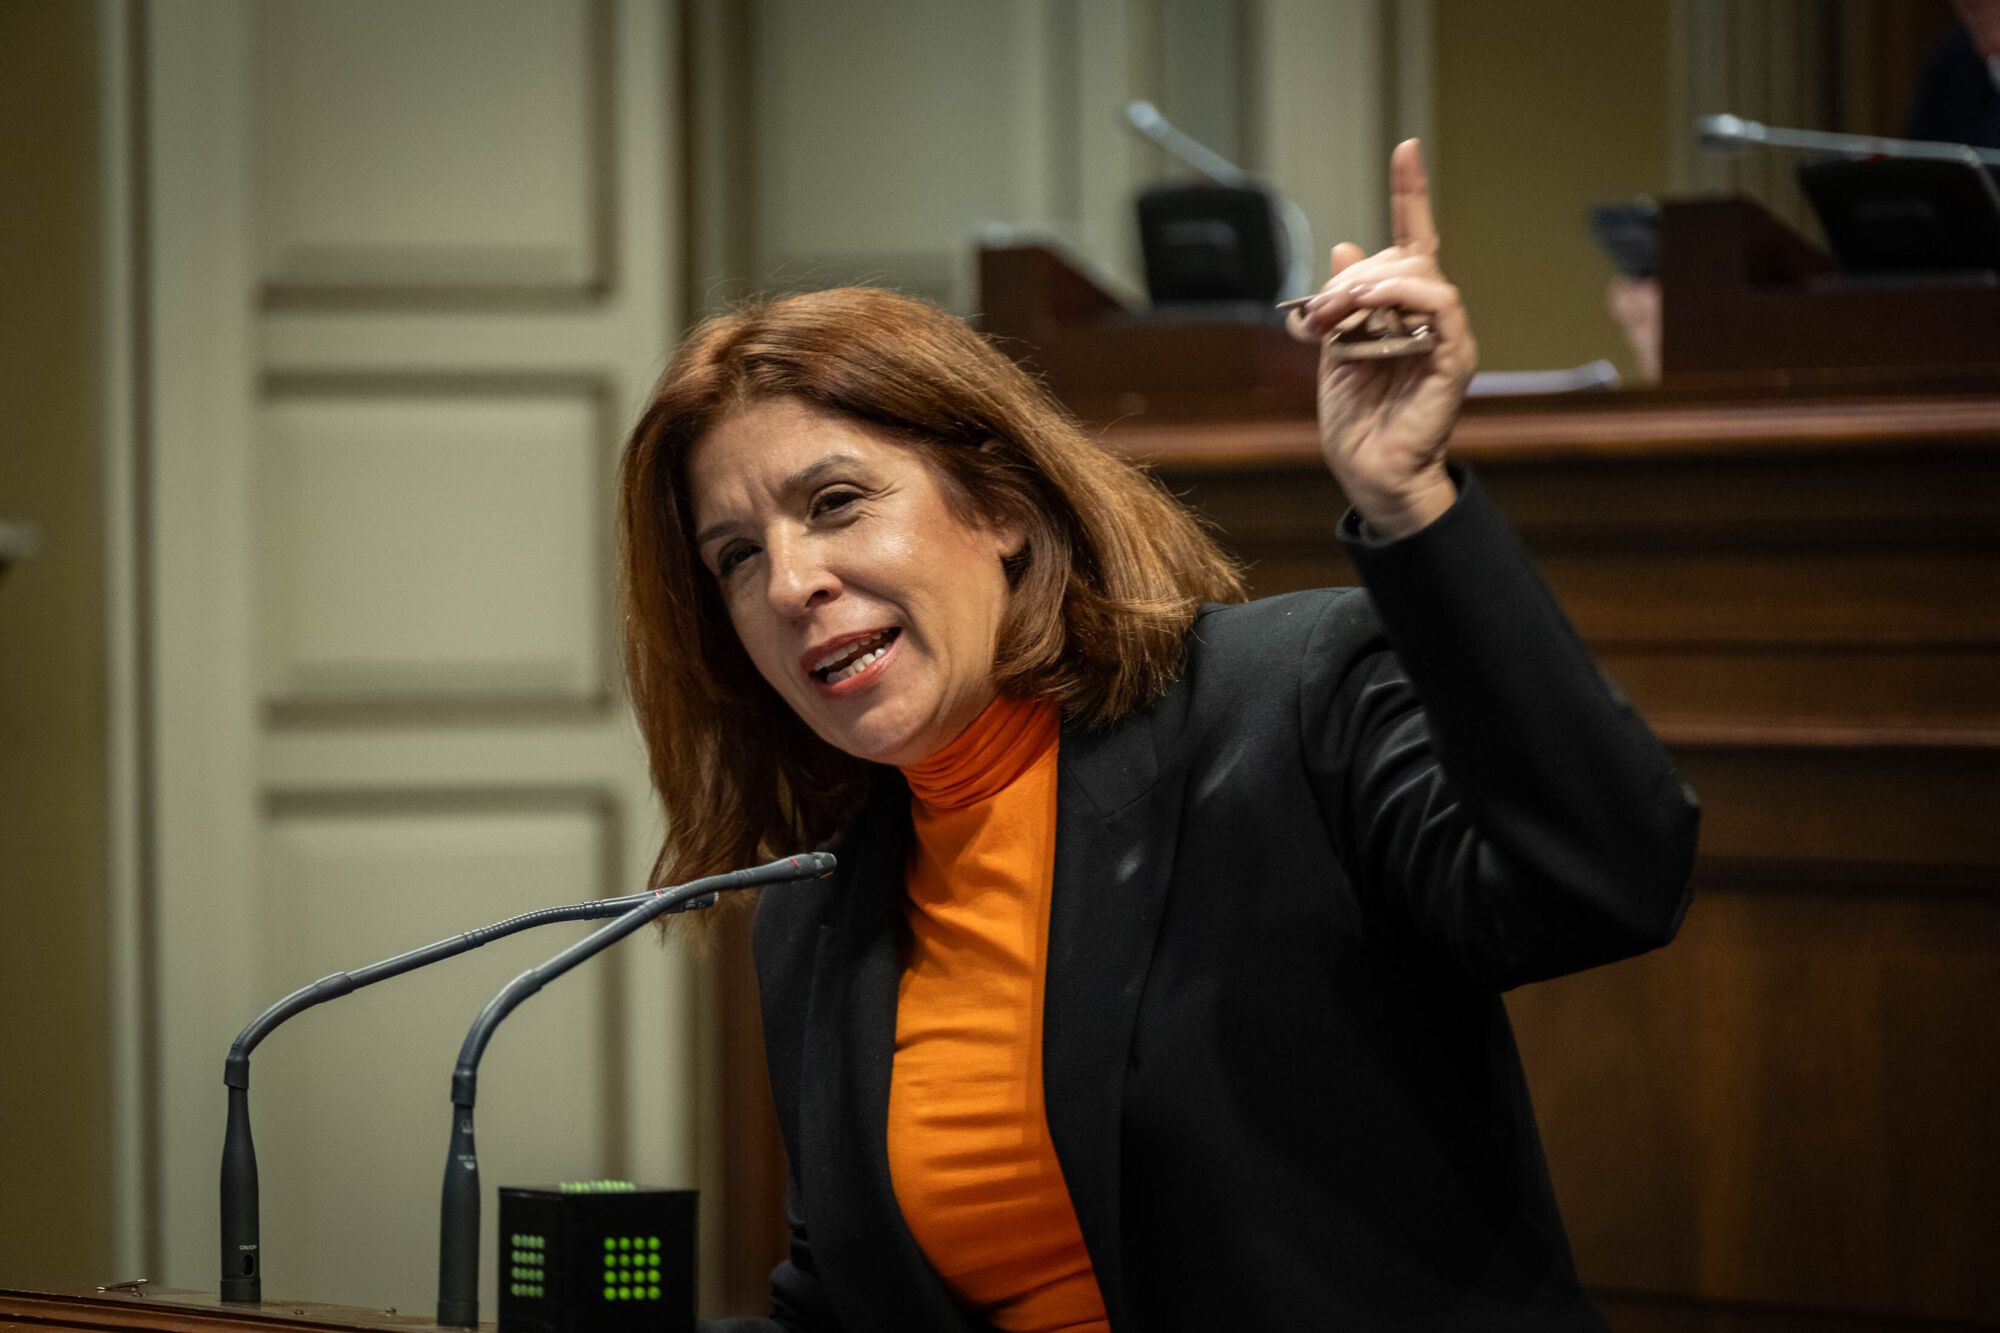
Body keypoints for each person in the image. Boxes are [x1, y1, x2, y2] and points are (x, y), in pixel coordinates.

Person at [618, 141, 1699, 1332]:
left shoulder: (1281, 704)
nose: (789, 582)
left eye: (834, 504)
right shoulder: (815, 907)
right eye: (733, 556)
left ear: (1004, 512)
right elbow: (849, 1308)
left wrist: (1409, 500)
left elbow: (1606, 881)